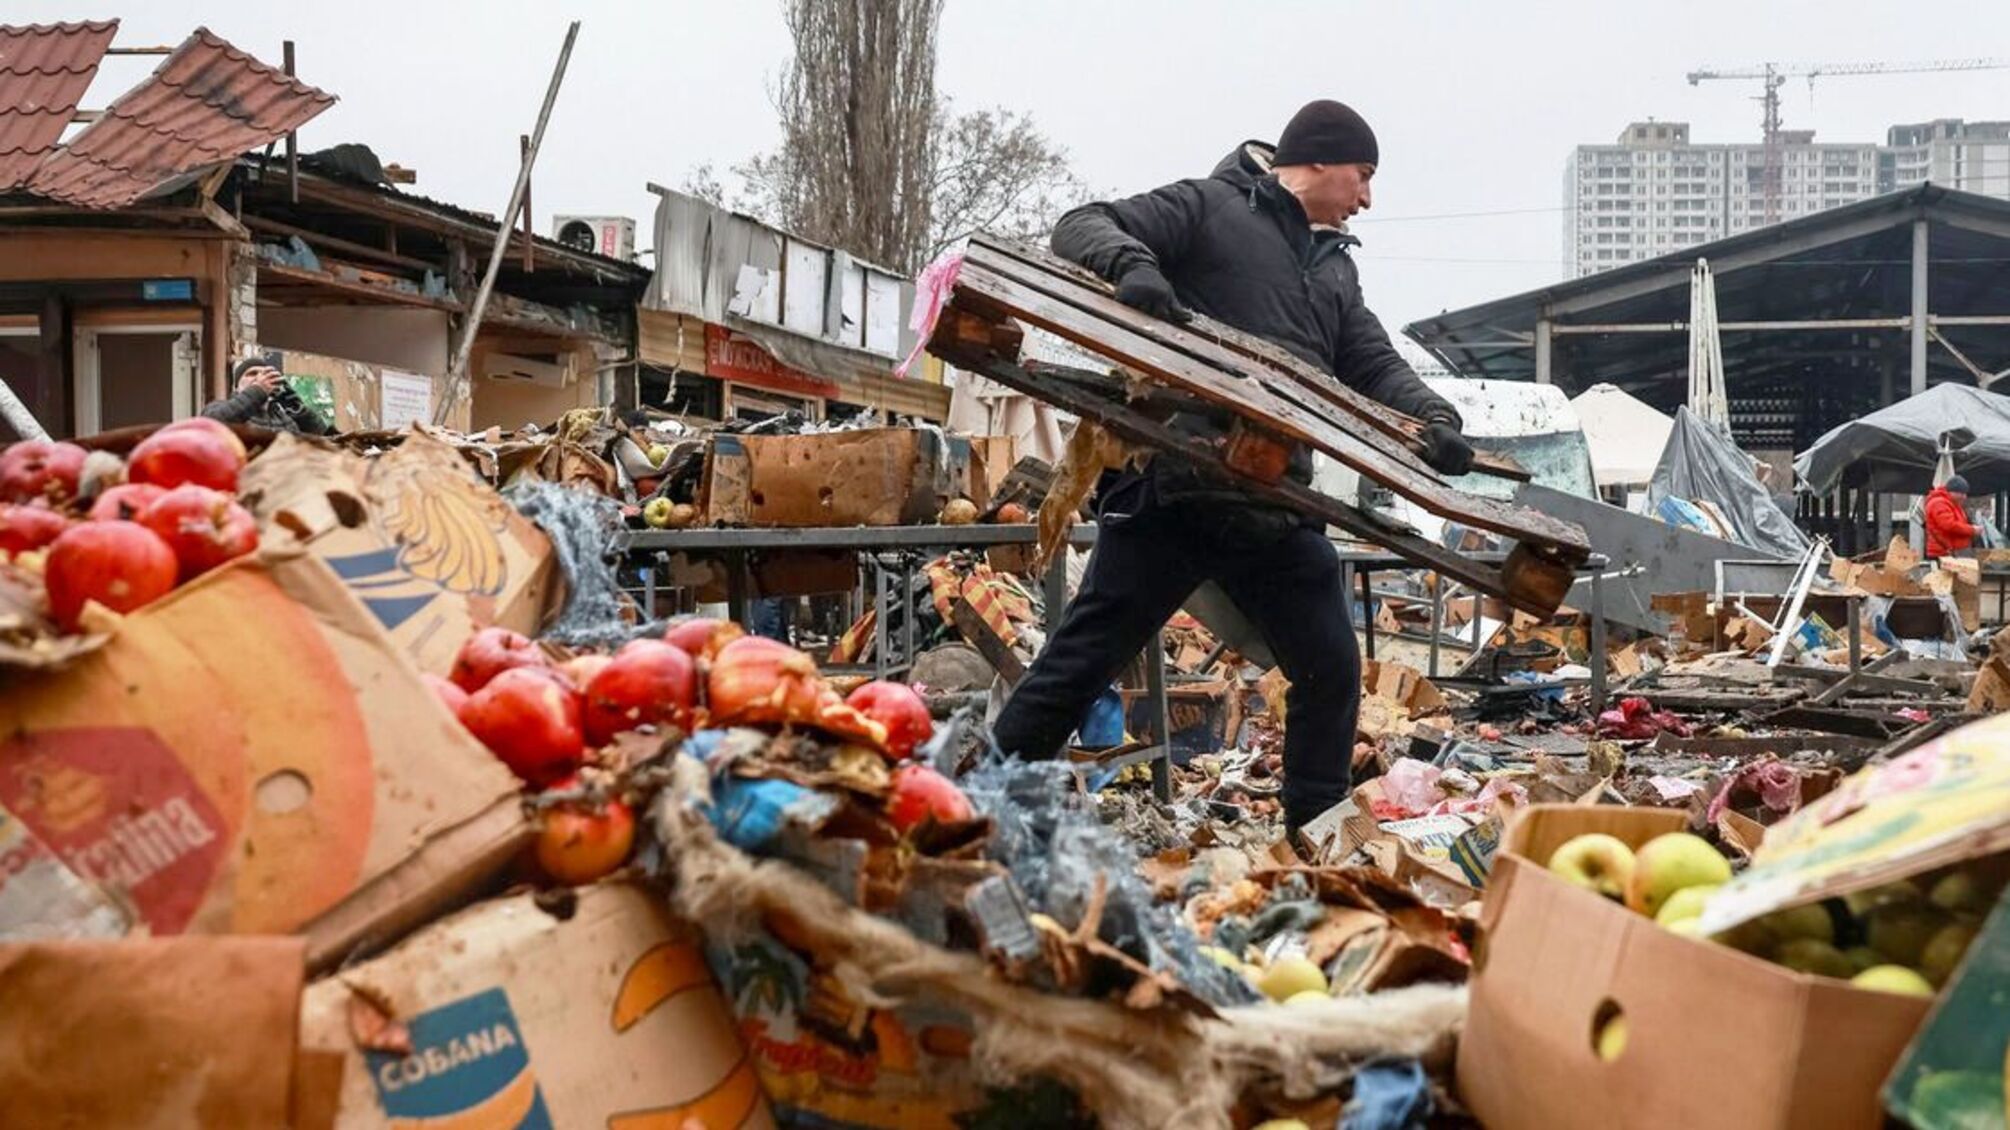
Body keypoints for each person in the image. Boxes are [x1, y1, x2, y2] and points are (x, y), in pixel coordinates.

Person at [990, 100, 1474, 849]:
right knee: (1084, 659)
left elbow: (1372, 362)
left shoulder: (1335, 271)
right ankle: (978, 805)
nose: (1368, 197)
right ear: (1316, 158)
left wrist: (1434, 418)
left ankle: (1315, 840)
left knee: (1330, 667)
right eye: (1363, 175)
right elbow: (1082, 223)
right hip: (1172, 488)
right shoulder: (1211, 207)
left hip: (1274, 504)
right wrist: (1135, 267)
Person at [202, 355, 333, 435]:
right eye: (252, 373)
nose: (260, 377)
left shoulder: (284, 419)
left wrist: (296, 407)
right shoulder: (219, 407)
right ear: (236, 386)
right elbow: (210, 425)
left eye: (265, 374)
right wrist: (258, 390)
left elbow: (322, 436)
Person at [1925, 474, 1978, 558]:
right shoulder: (1939, 503)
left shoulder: (1952, 503)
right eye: (1962, 493)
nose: (1964, 497)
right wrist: (1972, 530)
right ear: (1953, 492)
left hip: (1951, 551)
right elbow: (1949, 525)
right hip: (1943, 552)